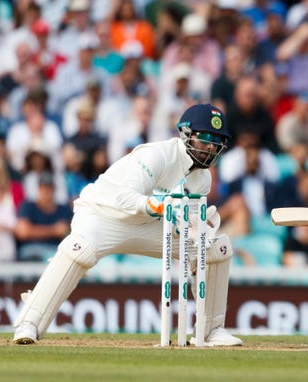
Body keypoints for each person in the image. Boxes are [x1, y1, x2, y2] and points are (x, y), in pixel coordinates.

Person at [13, 104, 243, 347]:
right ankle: (30, 322)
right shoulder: (158, 155)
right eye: (205, 137)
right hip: (104, 214)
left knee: (213, 247)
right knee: (78, 249)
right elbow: (124, 198)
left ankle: (210, 330)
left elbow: (184, 225)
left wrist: (198, 228)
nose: (210, 146)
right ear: (186, 134)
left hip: (150, 225)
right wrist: (161, 206)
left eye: (216, 140)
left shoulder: (203, 178)